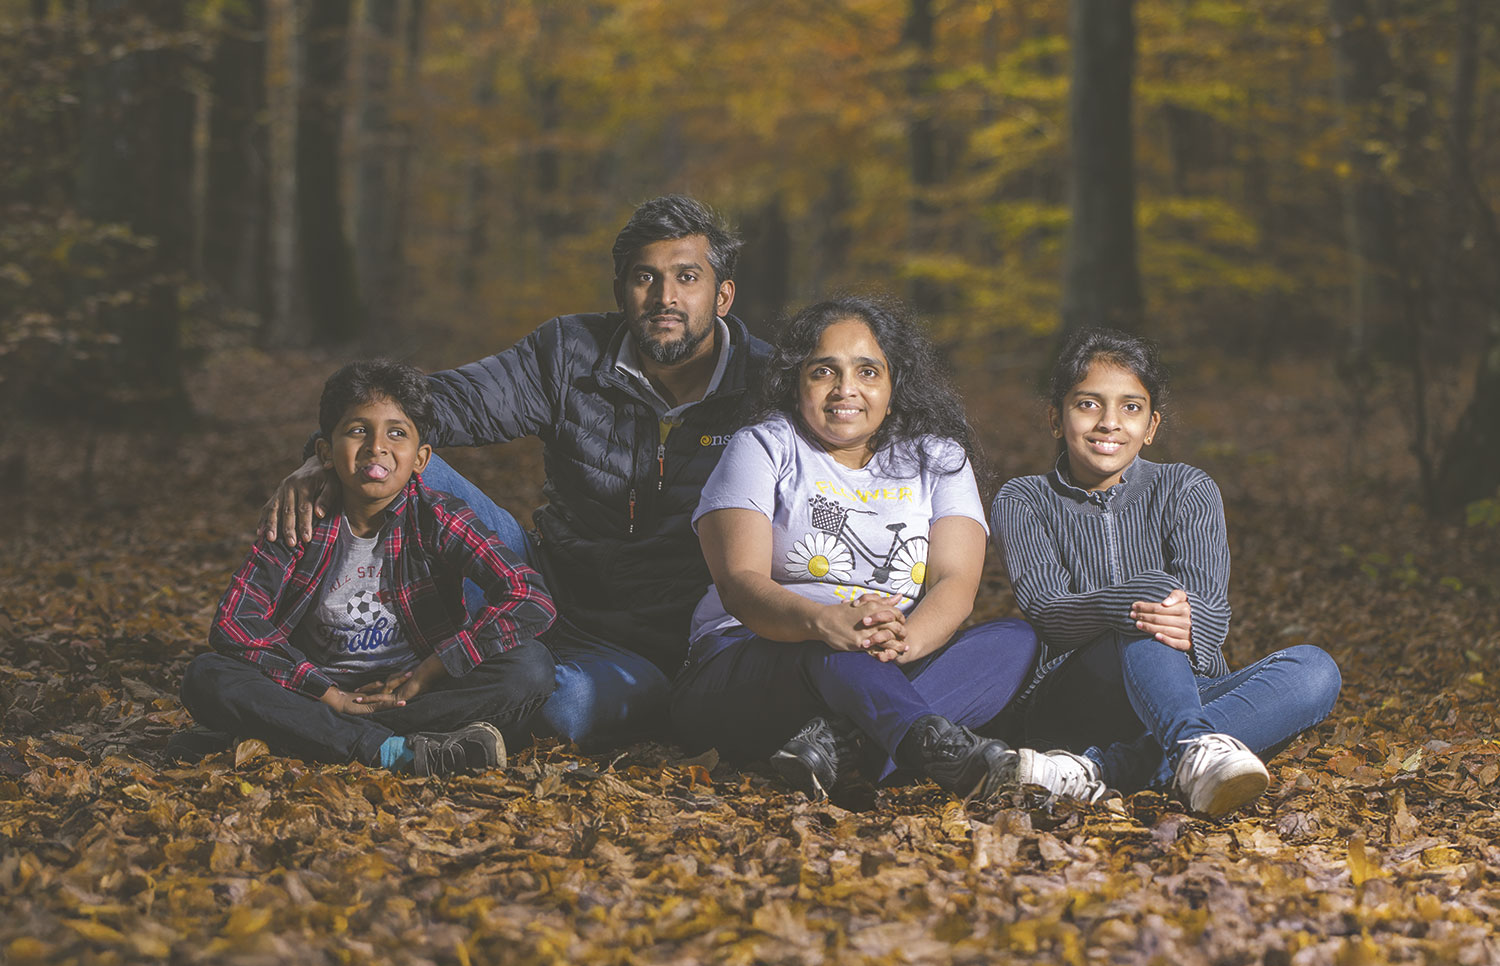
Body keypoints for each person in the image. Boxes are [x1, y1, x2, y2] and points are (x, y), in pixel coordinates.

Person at [259, 195, 770, 750]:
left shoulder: (769, 385)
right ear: (622, 290)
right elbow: (430, 405)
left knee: (563, 708)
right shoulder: (570, 352)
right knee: (395, 462)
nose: (664, 296)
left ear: (722, 296)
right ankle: (334, 652)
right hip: (535, 583)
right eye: (645, 277)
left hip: (649, 645)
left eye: (687, 277)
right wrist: (323, 454)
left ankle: (381, 716)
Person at [670, 296, 1038, 801]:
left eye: (868, 371)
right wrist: (826, 622)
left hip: (890, 657)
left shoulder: (938, 458)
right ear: (796, 380)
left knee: (1016, 641)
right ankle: (924, 748)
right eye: (825, 371)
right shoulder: (762, 447)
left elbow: (956, 582)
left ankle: (841, 744)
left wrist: (900, 640)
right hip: (752, 664)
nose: (847, 389)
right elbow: (739, 584)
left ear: (894, 384)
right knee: (834, 651)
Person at [991, 328, 1341, 817]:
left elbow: (1213, 617)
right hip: (1074, 698)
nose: (1110, 423)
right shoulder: (1024, 498)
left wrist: (1167, 613)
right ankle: (1195, 748)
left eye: (1130, 408)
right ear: (1056, 417)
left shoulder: (1186, 488)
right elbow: (1049, 615)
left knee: (1315, 671)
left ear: (1151, 426)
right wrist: (1131, 604)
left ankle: (1101, 771)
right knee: (1154, 596)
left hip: (1186, 693)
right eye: (1088, 404)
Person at [182, 361, 558, 775]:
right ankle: (391, 750)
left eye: (397, 433)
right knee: (207, 675)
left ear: (420, 458)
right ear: (325, 451)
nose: (376, 447)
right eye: (358, 430)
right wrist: (329, 695)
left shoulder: (437, 516)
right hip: (314, 689)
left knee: (531, 666)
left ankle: (301, 733)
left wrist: (430, 671)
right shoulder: (300, 518)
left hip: (414, 692)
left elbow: (528, 595)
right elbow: (235, 622)